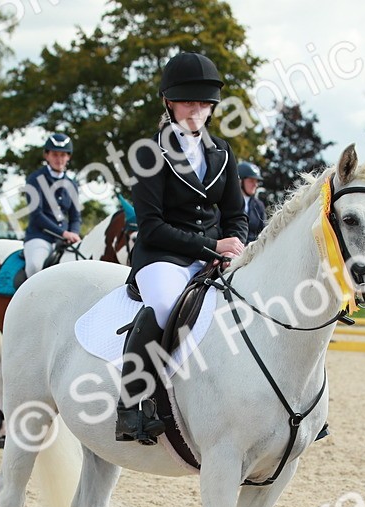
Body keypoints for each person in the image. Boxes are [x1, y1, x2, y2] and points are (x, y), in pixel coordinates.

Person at [116, 51, 249, 445]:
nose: (197, 110)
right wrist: (212, 245)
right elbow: (153, 227)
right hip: (163, 257)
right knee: (163, 304)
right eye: (189, 102)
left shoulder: (222, 152)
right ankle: (131, 405)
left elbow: (235, 214)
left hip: (216, 256)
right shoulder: (148, 153)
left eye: (204, 103)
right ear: (169, 103)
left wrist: (234, 246)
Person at [22, 133, 82, 278]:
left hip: (65, 241)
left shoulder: (72, 184)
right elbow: (37, 215)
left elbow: (75, 216)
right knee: (34, 266)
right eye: (55, 154)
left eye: (63, 155)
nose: (59, 159)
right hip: (40, 237)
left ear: (68, 157)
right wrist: (63, 233)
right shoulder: (35, 179)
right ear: (46, 155)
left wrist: (74, 233)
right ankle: (30, 300)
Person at [238, 161, 266, 244]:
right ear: (240, 181)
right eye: (251, 181)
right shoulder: (227, 203)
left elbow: (263, 232)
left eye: (256, 181)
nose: (255, 185)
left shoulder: (259, 205)